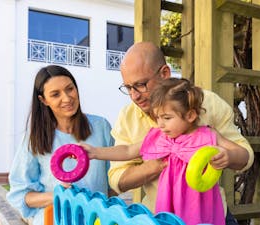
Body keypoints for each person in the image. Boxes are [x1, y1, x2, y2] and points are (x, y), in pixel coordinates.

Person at [108, 41, 254, 225]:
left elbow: (245, 157)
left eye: (141, 85)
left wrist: (228, 156)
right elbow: (117, 180)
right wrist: (157, 165)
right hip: (158, 218)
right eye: (128, 88)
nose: (134, 96)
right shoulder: (127, 117)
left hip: (211, 216)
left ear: (165, 73)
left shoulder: (208, 103)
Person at [81, 77, 250, 225]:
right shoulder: (159, 137)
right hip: (168, 207)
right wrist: (96, 152)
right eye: (158, 118)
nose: (160, 124)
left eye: (167, 118)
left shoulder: (208, 135)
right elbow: (127, 151)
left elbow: (242, 154)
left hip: (201, 207)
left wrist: (229, 156)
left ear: (190, 115)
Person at [6, 65, 114, 225]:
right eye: (55, 94)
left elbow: (114, 181)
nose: (67, 98)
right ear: (43, 100)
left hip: (96, 220)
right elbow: (20, 195)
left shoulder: (101, 127)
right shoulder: (34, 137)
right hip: (53, 220)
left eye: (70, 89)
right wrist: (58, 195)